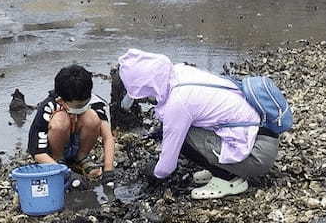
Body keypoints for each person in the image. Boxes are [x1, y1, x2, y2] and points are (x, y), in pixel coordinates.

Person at [118, 49, 279, 199]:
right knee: (180, 129)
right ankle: (222, 167)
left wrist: (153, 173)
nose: (144, 99)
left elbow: (166, 167)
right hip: (261, 135)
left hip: (257, 155)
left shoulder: (178, 101)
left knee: (182, 137)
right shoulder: (179, 72)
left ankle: (229, 178)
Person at [27, 64, 115, 180]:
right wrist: (64, 173)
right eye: (78, 105)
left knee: (92, 117)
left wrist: (108, 169)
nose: (82, 106)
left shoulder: (94, 102)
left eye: (85, 103)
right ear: (61, 100)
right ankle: (59, 161)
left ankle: (81, 158)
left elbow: (108, 137)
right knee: (60, 121)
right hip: (53, 152)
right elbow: (37, 152)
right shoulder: (48, 107)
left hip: (79, 145)